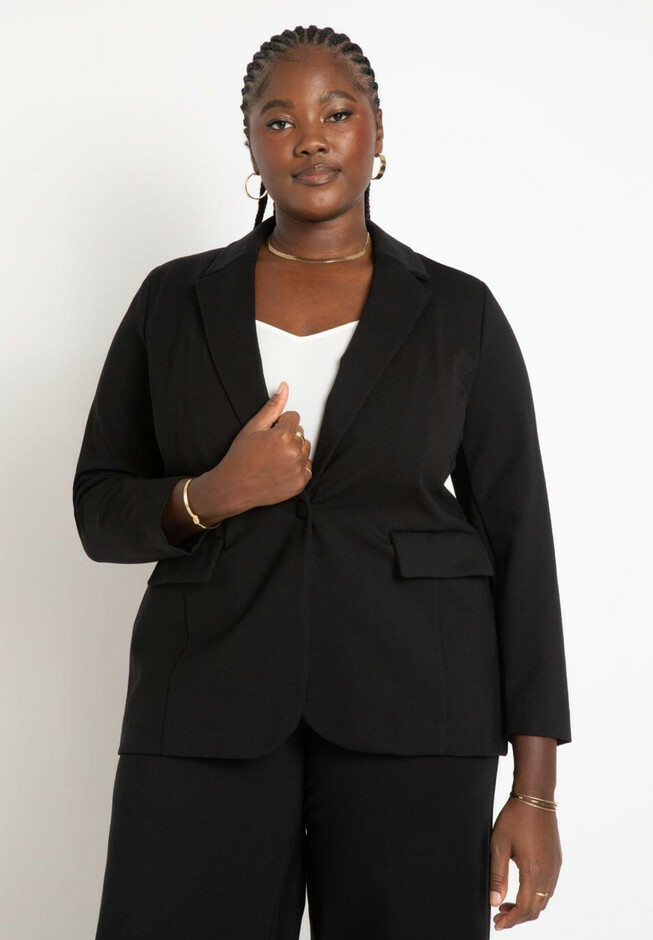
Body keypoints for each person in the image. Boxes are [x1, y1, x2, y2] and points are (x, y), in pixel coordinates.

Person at [74, 24, 572, 939]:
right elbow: (99, 508)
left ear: (376, 132)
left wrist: (533, 792)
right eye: (279, 120)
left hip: (417, 712)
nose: (309, 138)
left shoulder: (457, 311)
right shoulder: (172, 302)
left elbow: (520, 542)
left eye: (336, 114)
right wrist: (212, 493)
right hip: (205, 705)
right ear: (251, 146)